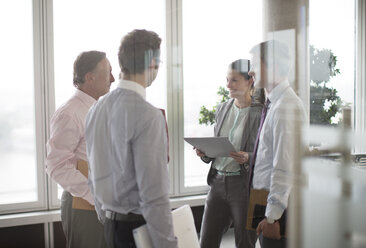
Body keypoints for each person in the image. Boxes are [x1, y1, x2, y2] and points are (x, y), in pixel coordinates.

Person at [85, 29, 177, 248]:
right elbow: (154, 197)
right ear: (153, 63)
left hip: (110, 226)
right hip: (138, 231)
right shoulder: (149, 115)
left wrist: (107, 218)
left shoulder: (95, 109)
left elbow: (93, 174)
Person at [45, 50, 115, 248]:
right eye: (107, 72)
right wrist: (96, 196)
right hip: (84, 204)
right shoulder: (70, 113)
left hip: (103, 204)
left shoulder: (97, 109)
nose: (112, 78)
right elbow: (56, 166)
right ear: (90, 78)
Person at [195, 59, 264, 248]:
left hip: (244, 186)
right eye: (227, 80)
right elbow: (217, 147)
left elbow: (269, 154)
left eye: (234, 80)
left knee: (245, 243)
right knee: (206, 243)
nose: (228, 85)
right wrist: (205, 153)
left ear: (250, 81)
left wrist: (248, 157)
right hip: (217, 183)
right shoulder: (223, 108)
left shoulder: (261, 113)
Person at [248, 40, 307, 248]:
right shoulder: (275, 103)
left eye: (255, 64)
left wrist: (273, 218)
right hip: (264, 199)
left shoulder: (285, 106)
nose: (250, 71)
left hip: (278, 210)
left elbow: (284, 166)